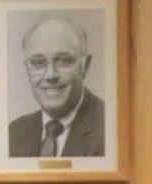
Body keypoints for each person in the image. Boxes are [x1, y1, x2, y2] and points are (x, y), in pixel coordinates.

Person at [7, 17, 106, 157]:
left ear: (85, 66)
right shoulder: (14, 133)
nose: (51, 75)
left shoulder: (110, 127)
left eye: (64, 61)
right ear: (27, 68)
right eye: (38, 62)